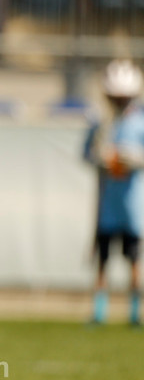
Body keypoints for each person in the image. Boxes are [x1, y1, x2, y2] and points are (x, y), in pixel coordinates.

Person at [84, 59, 144, 326]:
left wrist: (134, 159)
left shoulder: (140, 122)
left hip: (132, 206)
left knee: (134, 261)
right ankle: (99, 312)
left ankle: (135, 312)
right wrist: (100, 158)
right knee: (103, 261)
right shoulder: (101, 123)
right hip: (107, 205)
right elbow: (87, 153)